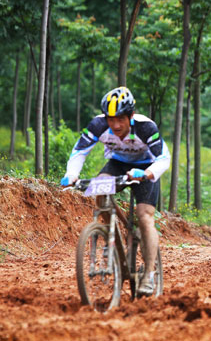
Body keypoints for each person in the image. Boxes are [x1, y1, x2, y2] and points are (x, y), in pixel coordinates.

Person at [60, 86, 171, 296]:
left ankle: (148, 272)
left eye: (120, 119)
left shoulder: (146, 127)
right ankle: (112, 229)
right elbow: (79, 151)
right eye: (111, 119)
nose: (115, 124)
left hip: (145, 168)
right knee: (98, 187)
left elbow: (164, 159)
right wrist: (72, 174)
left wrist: (147, 173)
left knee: (145, 217)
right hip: (117, 164)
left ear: (131, 116)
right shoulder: (98, 124)